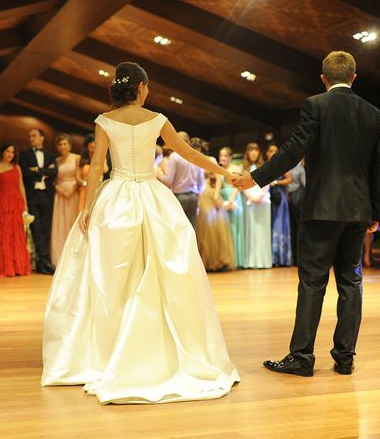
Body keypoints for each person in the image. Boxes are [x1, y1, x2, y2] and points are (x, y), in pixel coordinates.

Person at [42, 62, 240, 405]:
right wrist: (225, 171)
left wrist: (87, 206)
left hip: (115, 198)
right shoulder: (158, 119)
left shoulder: (104, 121)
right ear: (142, 88)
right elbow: (190, 153)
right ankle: (156, 343)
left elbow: (98, 167)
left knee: (112, 275)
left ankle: (109, 346)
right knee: (164, 270)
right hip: (152, 197)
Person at [234, 51, 380, 377]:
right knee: (351, 282)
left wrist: (257, 177)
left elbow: (293, 151)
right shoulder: (375, 115)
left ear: (323, 78)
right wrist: (376, 211)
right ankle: (345, 358)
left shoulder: (315, 106)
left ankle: (302, 357)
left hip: (321, 209)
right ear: (353, 77)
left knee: (312, 283)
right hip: (358, 210)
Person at [18, 129, 58, 274]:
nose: (31, 138)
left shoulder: (50, 155)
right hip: (32, 196)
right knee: (37, 229)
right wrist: (44, 171)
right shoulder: (25, 154)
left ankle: (42, 264)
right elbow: (25, 173)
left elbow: (54, 172)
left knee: (46, 229)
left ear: (42, 137)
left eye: (34, 136)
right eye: (29, 136)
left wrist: (38, 170)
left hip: (47, 196)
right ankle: (45, 261)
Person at [0, 143, 31, 277]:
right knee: (2, 234)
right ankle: (4, 267)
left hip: (15, 203)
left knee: (16, 235)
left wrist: (25, 204)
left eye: (12, 152)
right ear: (2, 152)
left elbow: (21, 186)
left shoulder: (17, 167)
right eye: (8, 151)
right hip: (1, 202)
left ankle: (18, 266)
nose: (10, 154)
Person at [193, 138, 235, 272]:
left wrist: (217, 196)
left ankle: (221, 261)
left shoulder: (210, 159)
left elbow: (218, 177)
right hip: (201, 195)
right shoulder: (192, 160)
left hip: (212, 195)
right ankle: (209, 262)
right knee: (205, 230)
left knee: (218, 228)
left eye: (196, 148)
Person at [159, 131, 205, 230]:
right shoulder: (195, 156)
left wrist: (159, 174)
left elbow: (168, 180)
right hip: (193, 197)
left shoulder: (175, 156)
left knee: (178, 229)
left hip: (180, 197)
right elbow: (202, 182)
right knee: (191, 229)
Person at [50, 134, 82, 266]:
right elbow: (53, 180)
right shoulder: (56, 161)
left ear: (69, 145)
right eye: (60, 144)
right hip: (60, 195)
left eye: (65, 144)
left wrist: (72, 189)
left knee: (72, 222)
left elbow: (79, 177)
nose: (62, 147)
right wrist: (60, 189)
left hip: (74, 193)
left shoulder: (77, 158)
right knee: (60, 225)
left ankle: (75, 256)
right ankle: (60, 257)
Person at [242, 143, 271, 269]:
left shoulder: (265, 166)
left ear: (259, 152)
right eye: (251, 150)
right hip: (250, 203)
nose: (253, 152)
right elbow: (241, 184)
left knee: (263, 231)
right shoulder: (243, 167)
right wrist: (250, 196)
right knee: (251, 232)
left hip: (263, 202)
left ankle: (264, 262)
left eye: (256, 150)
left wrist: (260, 196)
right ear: (247, 153)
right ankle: (252, 261)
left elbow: (268, 182)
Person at [266, 143, 293, 266]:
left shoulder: (282, 164)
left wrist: (277, 182)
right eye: (270, 151)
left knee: (279, 225)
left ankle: (281, 258)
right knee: (270, 225)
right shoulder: (266, 166)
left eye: (275, 151)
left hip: (280, 198)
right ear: (267, 153)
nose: (273, 153)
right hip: (268, 198)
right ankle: (271, 258)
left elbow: (289, 179)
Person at [219, 146, 245, 268]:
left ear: (230, 157)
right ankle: (227, 259)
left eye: (225, 155)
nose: (222, 158)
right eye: (221, 155)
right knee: (225, 229)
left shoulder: (235, 168)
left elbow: (238, 185)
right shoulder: (219, 169)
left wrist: (230, 200)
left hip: (233, 199)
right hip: (223, 199)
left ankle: (236, 260)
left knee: (234, 228)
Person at [287, 160, 306, 265]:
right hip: (287, 202)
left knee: (297, 229)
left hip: (296, 202)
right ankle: (293, 258)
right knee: (292, 230)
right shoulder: (289, 166)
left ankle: (298, 259)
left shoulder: (300, 168)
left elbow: (305, 185)